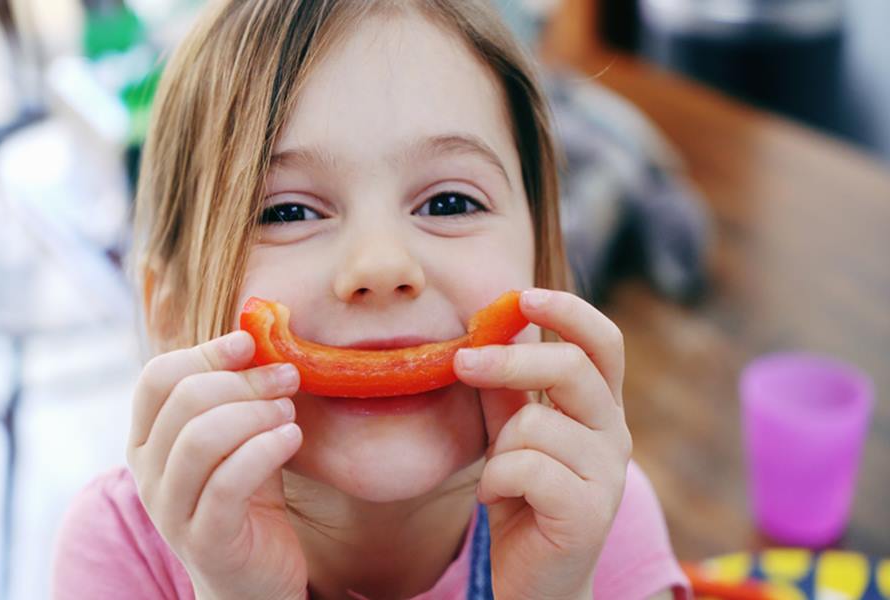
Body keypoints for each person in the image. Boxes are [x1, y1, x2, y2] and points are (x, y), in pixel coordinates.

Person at [52, 1, 691, 598]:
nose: (383, 266)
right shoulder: (120, 551)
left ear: (546, 268)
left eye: (449, 202)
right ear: (167, 313)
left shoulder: (592, 514)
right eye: (288, 211)